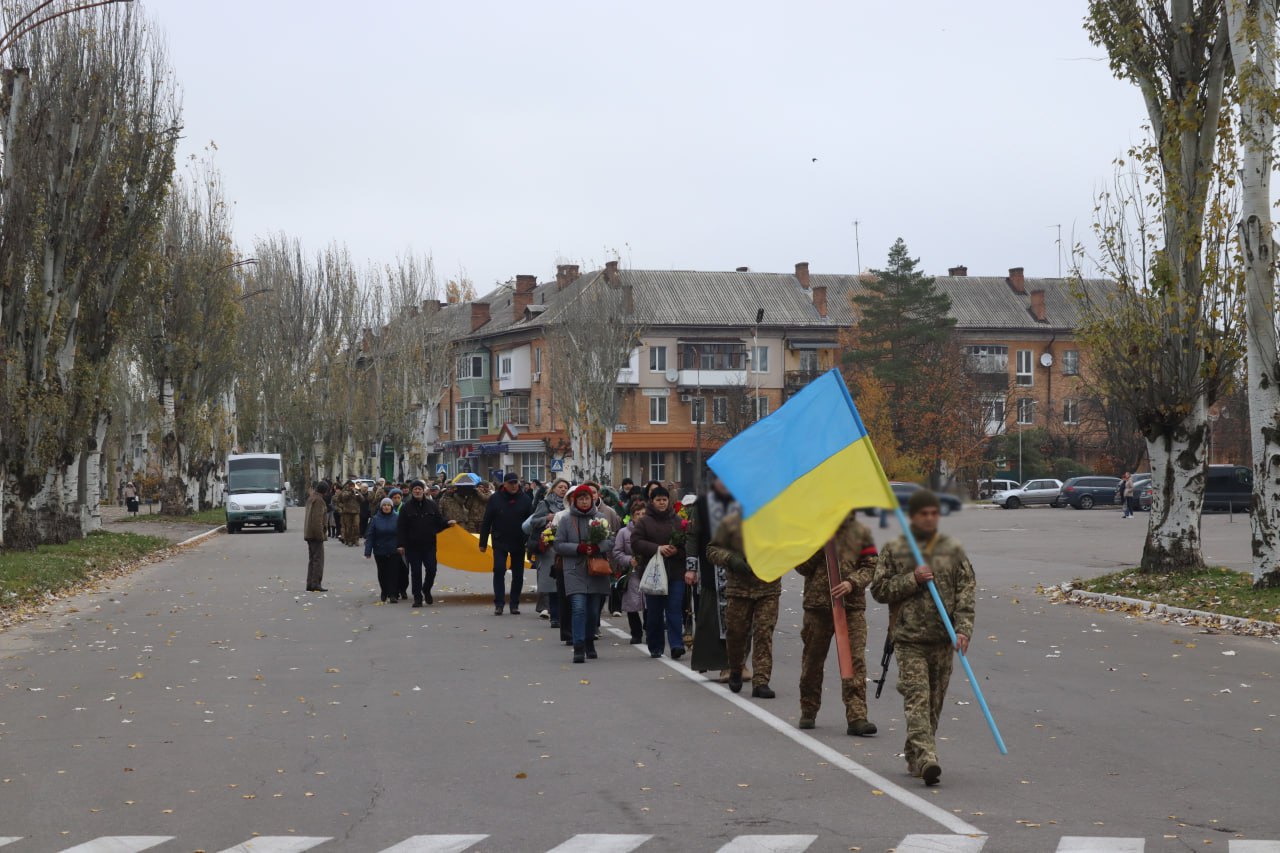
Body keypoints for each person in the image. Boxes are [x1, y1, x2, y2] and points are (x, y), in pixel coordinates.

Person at [870, 489, 976, 787]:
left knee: (933, 705)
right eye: (923, 514)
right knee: (917, 699)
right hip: (909, 640)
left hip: (943, 641)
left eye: (933, 513)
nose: (929, 518)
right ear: (912, 517)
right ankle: (928, 757)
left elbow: (966, 593)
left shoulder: (952, 551)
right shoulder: (896, 549)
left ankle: (914, 752)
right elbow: (879, 590)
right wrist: (912, 579)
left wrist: (963, 629)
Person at [795, 508, 881, 736]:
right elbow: (801, 567)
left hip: (851, 607)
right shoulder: (813, 532)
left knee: (854, 661)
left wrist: (852, 582)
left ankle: (857, 716)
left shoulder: (860, 532)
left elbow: (872, 565)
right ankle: (808, 710)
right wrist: (820, 546)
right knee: (812, 662)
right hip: (818, 606)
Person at [706, 508, 780, 698]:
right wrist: (731, 559)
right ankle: (736, 668)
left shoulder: (776, 522)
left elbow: (789, 547)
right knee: (736, 633)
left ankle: (761, 682)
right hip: (739, 589)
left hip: (768, 587)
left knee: (764, 634)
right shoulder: (731, 522)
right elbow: (712, 549)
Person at [552, 484, 616, 663]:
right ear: (575, 501)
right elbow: (558, 545)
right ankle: (578, 646)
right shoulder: (566, 520)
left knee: (593, 612)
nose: (584, 501)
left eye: (587, 498)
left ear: (592, 499)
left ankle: (589, 642)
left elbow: (610, 540)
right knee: (579, 608)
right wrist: (578, 548)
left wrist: (597, 546)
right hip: (574, 570)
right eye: (580, 499)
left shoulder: (600, 518)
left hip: (596, 570)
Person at [631, 485, 688, 660]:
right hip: (653, 573)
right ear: (652, 502)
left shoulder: (677, 520)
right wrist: (657, 548)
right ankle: (655, 646)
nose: (662, 503)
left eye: (664, 499)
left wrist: (676, 551)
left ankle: (677, 645)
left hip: (675, 573)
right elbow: (636, 542)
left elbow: (687, 543)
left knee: (675, 610)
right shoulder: (645, 521)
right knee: (655, 613)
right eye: (658, 500)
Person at [690, 475, 735, 678]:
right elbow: (693, 536)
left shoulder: (742, 502)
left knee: (741, 620)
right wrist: (691, 567)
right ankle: (716, 662)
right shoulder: (702, 504)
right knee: (712, 619)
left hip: (739, 569)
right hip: (711, 569)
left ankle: (737, 663)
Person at [480, 473, 534, 615]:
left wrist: (531, 543)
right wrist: (483, 543)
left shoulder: (525, 499)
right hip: (500, 540)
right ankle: (499, 604)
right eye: (510, 483)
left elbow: (532, 523)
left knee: (518, 574)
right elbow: (487, 521)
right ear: (504, 484)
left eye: (515, 482)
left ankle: (514, 604)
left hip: (518, 541)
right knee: (498, 569)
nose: (514, 485)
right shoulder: (495, 499)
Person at [397, 479, 456, 607]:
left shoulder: (432, 505)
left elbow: (439, 521)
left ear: (423, 490)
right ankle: (417, 597)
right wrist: (401, 544)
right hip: (413, 546)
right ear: (412, 491)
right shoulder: (406, 507)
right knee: (416, 572)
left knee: (431, 569)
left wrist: (447, 523)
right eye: (415, 489)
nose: (417, 491)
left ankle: (426, 589)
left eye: (419, 489)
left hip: (429, 545)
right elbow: (401, 527)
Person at [529, 479, 570, 624]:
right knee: (549, 579)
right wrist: (547, 518)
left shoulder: (571, 505)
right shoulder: (545, 503)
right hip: (547, 545)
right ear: (553, 489)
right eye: (560, 487)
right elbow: (533, 521)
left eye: (566, 487)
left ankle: (558, 613)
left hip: (565, 545)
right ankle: (550, 612)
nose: (563, 489)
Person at [613, 499, 648, 644]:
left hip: (649, 572)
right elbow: (617, 552)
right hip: (631, 573)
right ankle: (636, 633)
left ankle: (650, 630)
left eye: (643, 514)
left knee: (649, 604)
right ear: (632, 516)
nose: (640, 516)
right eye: (637, 514)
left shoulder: (651, 530)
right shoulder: (623, 532)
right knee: (631, 604)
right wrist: (629, 560)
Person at [365, 497, 402, 602]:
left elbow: (402, 533)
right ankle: (384, 591)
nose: (386, 507)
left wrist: (403, 546)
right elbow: (370, 535)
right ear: (381, 507)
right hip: (380, 550)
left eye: (388, 505)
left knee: (394, 573)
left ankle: (393, 594)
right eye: (384, 505)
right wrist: (368, 551)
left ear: (391, 507)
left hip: (394, 550)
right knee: (382, 573)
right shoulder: (376, 519)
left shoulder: (397, 518)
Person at [303, 481, 330, 592]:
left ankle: (310, 583)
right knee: (318, 560)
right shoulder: (319, 501)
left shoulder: (311, 498)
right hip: (315, 534)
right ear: (325, 491)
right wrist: (321, 535)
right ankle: (316, 584)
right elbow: (317, 519)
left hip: (309, 533)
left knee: (312, 559)